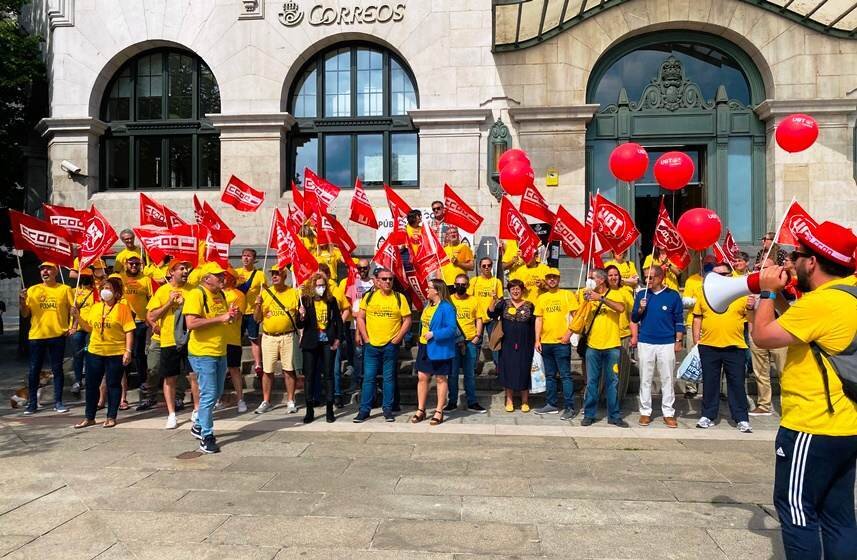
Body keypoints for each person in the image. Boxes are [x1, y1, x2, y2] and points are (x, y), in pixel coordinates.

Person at [751, 220, 857, 559]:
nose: (791, 261)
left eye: (797, 255)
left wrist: (767, 292)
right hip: (846, 425)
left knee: (796, 511)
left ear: (813, 262)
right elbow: (801, 327)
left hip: (811, 426)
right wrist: (781, 298)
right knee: (838, 516)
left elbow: (764, 336)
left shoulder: (821, 304)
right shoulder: (846, 296)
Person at [184, 264, 239, 454]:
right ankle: (207, 436)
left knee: (217, 393)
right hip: (202, 352)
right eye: (218, 275)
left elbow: (223, 320)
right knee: (208, 394)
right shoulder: (196, 294)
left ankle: (199, 424)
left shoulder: (221, 295)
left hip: (219, 350)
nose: (222, 278)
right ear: (207, 278)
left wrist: (231, 316)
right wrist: (221, 318)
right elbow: (191, 323)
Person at [692, 262, 752, 433]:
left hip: (735, 346)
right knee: (710, 383)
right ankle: (708, 415)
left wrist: (752, 307)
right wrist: (697, 341)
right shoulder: (704, 294)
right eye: (715, 274)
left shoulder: (741, 296)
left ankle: (741, 418)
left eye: (722, 274)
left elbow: (752, 319)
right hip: (709, 346)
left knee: (737, 384)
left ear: (730, 276)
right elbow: (697, 317)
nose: (718, 278)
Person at [72, 276, 134, 428]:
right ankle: (89, 417)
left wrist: (128, 351)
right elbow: (88, 328)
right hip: (95, 351)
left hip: (115, 352)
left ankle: (111, 416)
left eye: (109, 289)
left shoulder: (122, 308)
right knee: (92, 385)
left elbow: (129, 330)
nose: (105, 292)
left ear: (116, 292)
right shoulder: (95, 307)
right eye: (104, 289)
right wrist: (77, 317)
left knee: (113, 384)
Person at [354, 267, 412, 423]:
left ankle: (388, 409)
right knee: (369, 378)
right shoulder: (369, 297)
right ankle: (364, 410)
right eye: (384, 279)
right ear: (377, 281)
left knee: (388, 379)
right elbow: (360, 317)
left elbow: (407, 319)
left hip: (390, 346)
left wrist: (397, 339)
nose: (388, 282)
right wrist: (365, 338)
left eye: (390, 279)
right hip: (371, 345)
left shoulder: (399, 298)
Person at [630, 265, 684, 428]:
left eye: (651, 277)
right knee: (645, 378)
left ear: (660, 277)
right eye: (645, 277)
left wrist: (678, 340)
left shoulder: (673, 295)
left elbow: (679, 320)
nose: (647, 281)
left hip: (666, 342)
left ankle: (668, 413)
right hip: (646, 341)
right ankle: (645, 412)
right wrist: (640, 308)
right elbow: (633, 317)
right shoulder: (641, 294)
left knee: (667, 378)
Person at [575, 268, 628, 427]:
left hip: (612, 345)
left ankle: (614, 415)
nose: (589, 281)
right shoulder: (587, 294)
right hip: (592, 345)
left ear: (601, 280)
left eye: (592, 278)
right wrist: (585, 300)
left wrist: (601, 299)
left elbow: (620, 308)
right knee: (591, 382)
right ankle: (589, 414)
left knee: (612, 382)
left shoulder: (616, 293)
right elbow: (579, 316)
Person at [20, 262, 76, 414]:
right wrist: (21, 300)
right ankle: (32, 403)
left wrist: (73, 326)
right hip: (37, 336)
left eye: (48, 269)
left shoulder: (65, 289)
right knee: (34, 370)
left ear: (56, 272)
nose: (45, 271)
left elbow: (74, 311)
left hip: (57, 335)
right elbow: (25, 314)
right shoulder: (33, 290)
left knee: (57, 369)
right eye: (42, 269)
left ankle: (58, 402)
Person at [144, 259, 194, 428]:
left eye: (186, 269)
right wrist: (169, 303)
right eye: (181, 268)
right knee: (169, 378)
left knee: (194, 377)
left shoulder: (193, 290)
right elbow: (151, 317)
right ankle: (172, 414)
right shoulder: (162, 291)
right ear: (172, 272)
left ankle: (197, 410)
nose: (185, 271)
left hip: (190, 340)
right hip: (168, 340)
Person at [297, 272, 344, 424]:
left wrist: (338, 339)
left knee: (329, 375)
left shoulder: (331, 300)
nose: (321, 288)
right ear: (313, 286)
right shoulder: (306, 301)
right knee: (309, 376)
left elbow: (338, 321)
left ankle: (329, 409)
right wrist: (301, 316)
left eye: (323, 285)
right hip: (311, 341)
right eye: (318, 286)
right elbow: (300, 324)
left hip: (327, 340)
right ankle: (309, 409)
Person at [253, 264, 300, 415]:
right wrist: (258, 306)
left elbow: (300, 317)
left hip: (287, 336)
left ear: (284, 276)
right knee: (267, 370)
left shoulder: (293, 293)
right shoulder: (265, 293)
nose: (274, 276)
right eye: (272, 273)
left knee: (289, 370)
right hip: (269, 337)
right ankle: (266, 401)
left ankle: (291, 400)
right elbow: (256, 319)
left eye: (277, 273)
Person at [533, 268, 579, 419]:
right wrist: (537, 339)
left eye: (554, 277)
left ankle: (569, 407)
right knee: (550, 376)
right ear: (546, 280)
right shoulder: (542, 297)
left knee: (565, 376)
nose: (552, 280)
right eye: (549, 277)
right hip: (546, 342)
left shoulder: (567, 295)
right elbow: (539, 319)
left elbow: (576, 317)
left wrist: (568, 334)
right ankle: (551, 404)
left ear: (559, 279)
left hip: (561, 342)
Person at [412, 279, 457, 425]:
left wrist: (435, 334)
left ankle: (439, 411)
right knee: (422, 377)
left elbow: (451, 329)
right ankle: (421, 409)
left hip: (440, 347)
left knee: (440, 378)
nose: (426, 290)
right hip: (425, 346)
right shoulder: (428, 305)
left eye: (429, 288)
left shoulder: (447, 307)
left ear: (437, 290)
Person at [746, 257, 786, 417]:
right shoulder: (752, 290)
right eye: (760, 267)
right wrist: (749, 308)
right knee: (760, 371)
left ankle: (786, 405)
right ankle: (764, 404)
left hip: (778, 334)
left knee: (784, 371)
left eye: (767, 268)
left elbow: (786, 311)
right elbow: (749, 316)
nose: (763, 271)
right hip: (757, 333)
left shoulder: (784, 287)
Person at [488, 278, 535, 412]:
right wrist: (493, 300)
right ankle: (509, 400)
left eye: (518, 288)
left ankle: (525, 401)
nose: (515, 291)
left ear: (522, 290)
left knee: (524, 370)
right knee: (508, 370)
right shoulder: (503, 304)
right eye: (513, 289)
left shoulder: (530, 305)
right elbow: (491, 313)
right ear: (509, 291)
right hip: (507, 343)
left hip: (525, 343)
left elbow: (534, 324)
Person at [446, 273, 485, 413]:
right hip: (453, 343)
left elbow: (479, 319)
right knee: (452, 374)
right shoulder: (449, 300)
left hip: (469, 342)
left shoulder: (474, 300)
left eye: (463, 284)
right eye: (458, 284)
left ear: (468, 285)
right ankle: (452, 402)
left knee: (469, 374)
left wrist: (477, 336)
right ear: (454, 285)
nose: (460, 287)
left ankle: (472, 402)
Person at [340, 259, 375, 403]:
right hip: (356, 325)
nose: (362, 271)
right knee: (357, 356)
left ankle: (369, 384)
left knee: (370, 356)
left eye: (365, 268)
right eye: (359, 268)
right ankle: (356, 383)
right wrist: (359, 315)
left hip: (372, 324)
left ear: (369, 268)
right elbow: (348, 307)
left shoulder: (374, 283)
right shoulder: (352, 283)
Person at [119, 256, 153, 401]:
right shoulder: (120, 278)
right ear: (126, 264)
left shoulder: (146, 279)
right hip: (123, 321)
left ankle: (142, 381)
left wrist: (149, 318)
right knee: (125, 352)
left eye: (136, 264)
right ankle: (124, 387)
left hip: (140, 321)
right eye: (131, 263)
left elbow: (151, 298)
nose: (134, 266)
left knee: (139, 353)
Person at [606, 264, 636, 400]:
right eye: (610, 275)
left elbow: (632, 316)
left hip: (623, 336)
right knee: (605, 370)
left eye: (616, 275)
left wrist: (634, 336)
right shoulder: (601, 292)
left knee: (622, 371)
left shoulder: (625, 292)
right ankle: (604, 397)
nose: (613, 277)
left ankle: (618, 398)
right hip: (605, 336)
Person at [468, 256, 503, 368]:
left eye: (489, 265)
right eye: (484, 266)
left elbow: (501, 301)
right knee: (476, 343)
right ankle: (472, 367)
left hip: (491, 318)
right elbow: (469, 298)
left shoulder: (496, 281)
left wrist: (496, 298)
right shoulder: (474, 281)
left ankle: (498, 367)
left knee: (495, 343)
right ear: (480, 267)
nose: (486, 268)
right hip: (477, 318)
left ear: (492, 266)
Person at [235, 248, 264, 376]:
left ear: (254, 259)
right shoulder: (236, 273)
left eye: (249, 256)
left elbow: (265, 290)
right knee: (236, 340)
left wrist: (261, 300)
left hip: (252, 311)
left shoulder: (259, 274)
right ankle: (235, 364)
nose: (246, 258)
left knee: (254, 339)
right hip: (239, 312)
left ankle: (258, 364)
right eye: (244, 256)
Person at [222, 268, 247, 413]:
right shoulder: (216, 294)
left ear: (231, 278)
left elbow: (237, 316)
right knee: (217, 371)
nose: (222, 278)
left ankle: (240, 399)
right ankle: (218, 399)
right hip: (217, 338)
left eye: (224, 276)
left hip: (232, 338)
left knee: (234, 369)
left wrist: (230, 315)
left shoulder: (238, 294)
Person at [70, 266, 96, 396]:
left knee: (91, 354)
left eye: (87, 276)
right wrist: (74, 326)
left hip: (92, 327)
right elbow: (75, 312)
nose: (85, 279)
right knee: (77, 354)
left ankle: (89, 379)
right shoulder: (74, 292)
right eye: (83, 276)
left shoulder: (96, 291)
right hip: (79, 328)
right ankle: (78, 380)